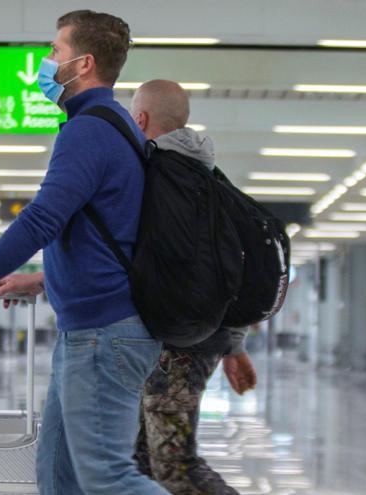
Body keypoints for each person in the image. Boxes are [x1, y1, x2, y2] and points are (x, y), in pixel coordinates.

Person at [0, 10, 170, 495]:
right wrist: (39, 281)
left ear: (84, 63)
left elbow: (41, 219)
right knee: (58, 475)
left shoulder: (90, 130)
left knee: (105, 478)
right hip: (88, 331)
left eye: (55, 50)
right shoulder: (112, 126)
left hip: (105, 334)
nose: (47, 60)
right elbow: (110, 234)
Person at [129, 80, 258, 495]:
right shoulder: (210, 178)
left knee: (173, 466)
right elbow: (232, 269)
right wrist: (233, 345)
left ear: (141, 119)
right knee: (142, 462)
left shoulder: (155, 177)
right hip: (198, 338)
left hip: (176, 345)